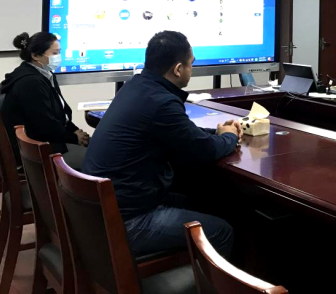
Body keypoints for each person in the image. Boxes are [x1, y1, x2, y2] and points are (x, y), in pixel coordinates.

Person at [82, 31, 240, 257]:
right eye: (191, 64)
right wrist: (230, 137)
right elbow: (203, 150)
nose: (191, 69)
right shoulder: (162, 102)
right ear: (178, 69)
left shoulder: (136, 86)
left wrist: (217, 131)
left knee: (204, 202)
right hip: (128, 220)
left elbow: (183, 134)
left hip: (104, 207)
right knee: (221, 231)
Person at [0, 32, 89, 168]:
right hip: (37, 150)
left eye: (59, 52)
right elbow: (44, 126)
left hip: (50, 140)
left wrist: (75, 131)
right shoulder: (30, 82)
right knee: (100, 160)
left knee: (99, 148)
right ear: (35, 55)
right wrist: (74, 138)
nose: (58, 57)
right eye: (54, 53)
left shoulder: (45, 74)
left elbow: (60, 113)